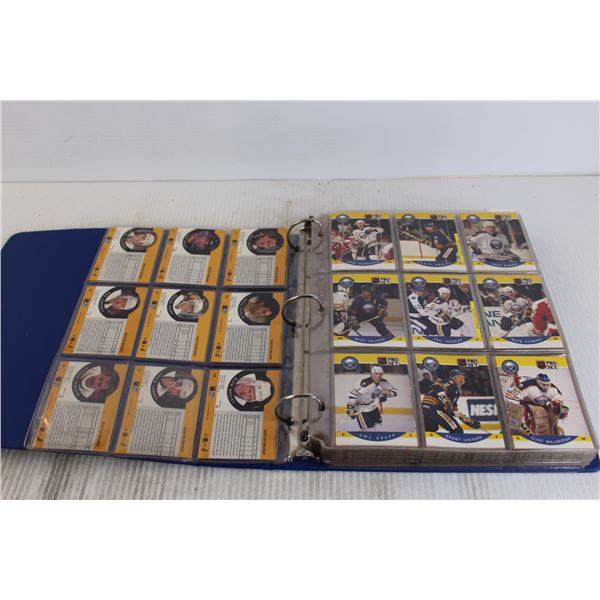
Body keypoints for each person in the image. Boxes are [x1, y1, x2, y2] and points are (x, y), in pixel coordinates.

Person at [346, 365, 398, 430]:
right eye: (376, 373)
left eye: (380, 374)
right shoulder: (365, 384)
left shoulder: (384, 382)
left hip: (373, 407)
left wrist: (385, 394)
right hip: (362, 409)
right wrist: (350, 409)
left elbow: (394, 392)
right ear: (372, 374)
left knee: (378, 426)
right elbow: (352, 394)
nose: (378, 376)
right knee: (367, 430)